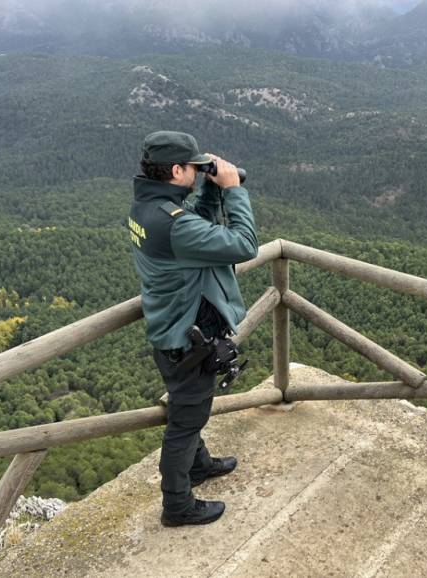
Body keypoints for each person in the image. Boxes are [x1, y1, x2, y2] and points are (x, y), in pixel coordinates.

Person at [128, 130, 258, 526]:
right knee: (184, 425)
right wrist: (232, 188)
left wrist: (209, 190)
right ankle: (178, 505)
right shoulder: (172, 224)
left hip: (172, 333)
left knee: (191, 413)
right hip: (189, 341)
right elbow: (244, 244)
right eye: (193, 167)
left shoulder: (146, 209)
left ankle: (198, 467)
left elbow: (193, 224)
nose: (197, 172)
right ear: (175, 170)